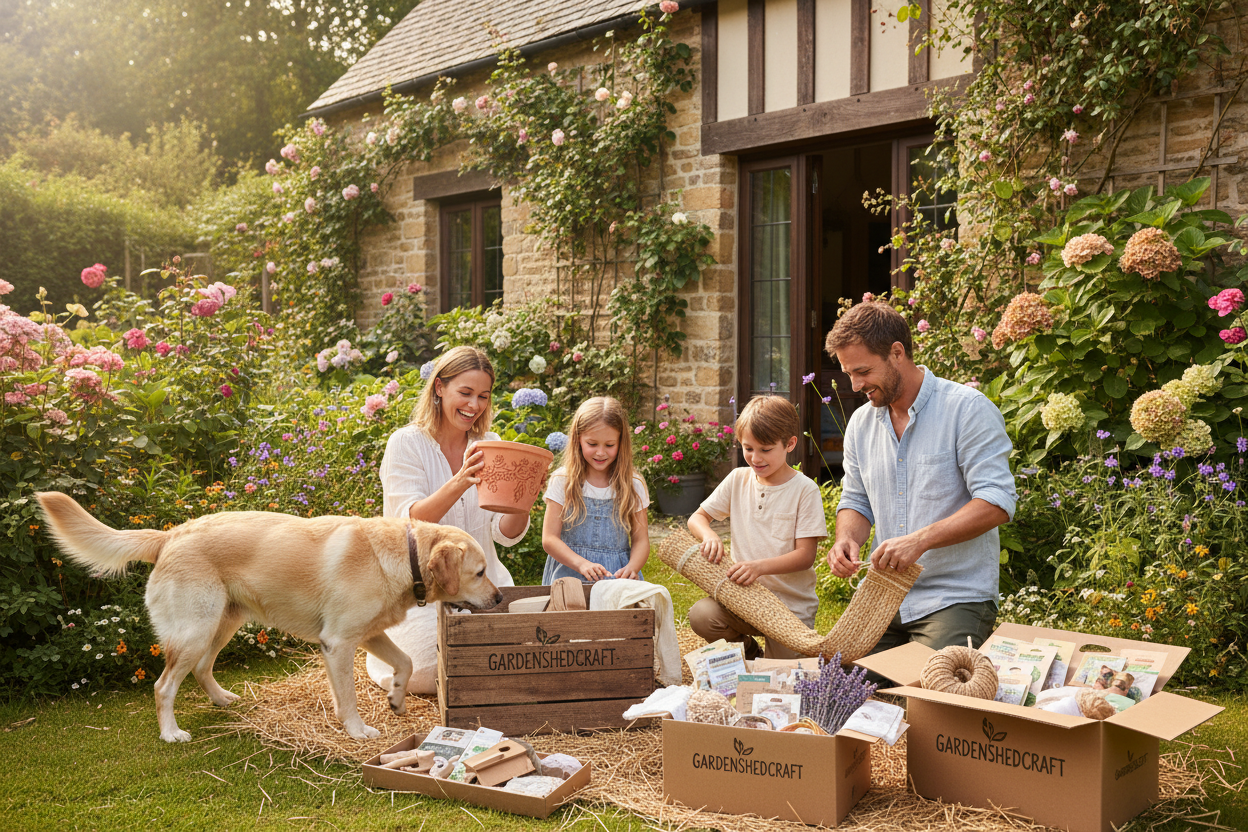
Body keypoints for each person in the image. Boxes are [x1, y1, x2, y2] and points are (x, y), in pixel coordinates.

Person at [825, 301, 1016, 663]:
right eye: (849, 373)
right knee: (835, 689)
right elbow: (856, 499)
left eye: (863, 371)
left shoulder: (967, 409)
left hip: (954, 595)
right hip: (881, 594)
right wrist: (846, 540)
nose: (855, 385)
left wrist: (920, 541)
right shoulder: (861, 424)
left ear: (897, 353)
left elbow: (996, 501)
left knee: (932, 690)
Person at [366, 346, 530, 694]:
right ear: (439, 388)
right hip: (423, 590)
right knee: (429, 670)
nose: (474, 406)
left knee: (526, 653)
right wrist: (459, 481)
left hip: (485, 583)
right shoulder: (406, 443)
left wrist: (522, 500)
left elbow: (505, 534)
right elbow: (406, 526)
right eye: (465, 393)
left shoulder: (490, 443)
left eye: (483, 396)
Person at [687, 395, 828, 659]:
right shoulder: (738, 479)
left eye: (765, 450)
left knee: (782, 682)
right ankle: (749, 652)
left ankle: (776, 656)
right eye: (748, 448)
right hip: (742, 600)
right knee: (702, 616)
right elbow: (697, 517)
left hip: (789, 608)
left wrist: (758, 567)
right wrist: (709, 535)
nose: (755, 458)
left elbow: (805, 556)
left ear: (790, 444)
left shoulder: (804, 489)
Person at [541, 396, 650, 583]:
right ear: (578, 440)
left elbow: (641, 540)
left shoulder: (633, 484)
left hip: (616, 576)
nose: (601, 452)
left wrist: (633, 567)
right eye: (592, 444)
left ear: (621, 443)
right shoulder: (563, 480)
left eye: (609, 445)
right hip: (569, 575)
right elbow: (549, 539)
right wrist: (581, 564)